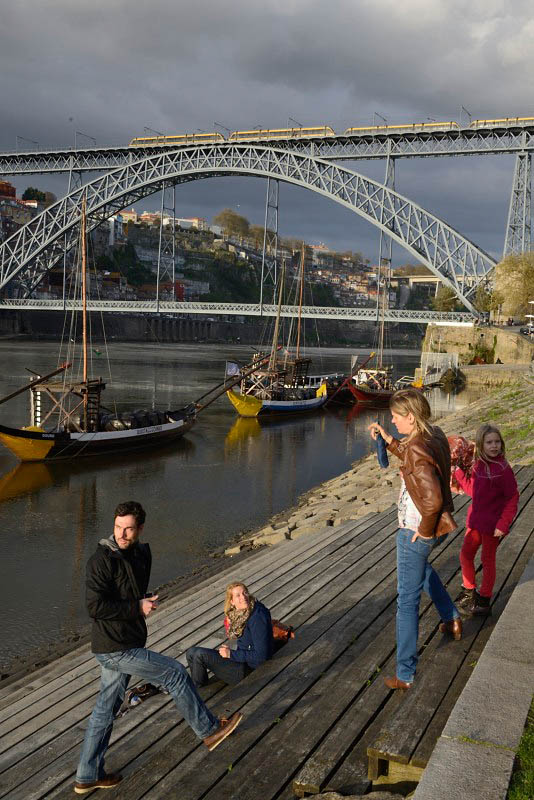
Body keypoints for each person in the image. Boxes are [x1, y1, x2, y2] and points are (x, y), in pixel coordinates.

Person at [74, 501, 242, 795]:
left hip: (126, 640)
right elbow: (95, 606)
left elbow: (128, 590)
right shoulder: (100, 561)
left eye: (128, 529)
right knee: (175, 674)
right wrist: (136, 607)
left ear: (139, 528)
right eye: (117, 527)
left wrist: (143, 598)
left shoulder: (139, 553)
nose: (122, 534)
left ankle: (87, 775)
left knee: (105, 709)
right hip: (115, 648)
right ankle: (210, 731)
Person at [369, 389, 461, 691]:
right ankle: (450, 616)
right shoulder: (432, 435)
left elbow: (432, 500)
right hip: (435, 526)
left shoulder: (418, 447)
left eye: (396, 416)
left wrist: (422, 529)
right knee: (421, 572)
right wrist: (390, 441)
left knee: (406, 603)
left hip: (414, 529)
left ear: (410, 416)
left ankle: (405, 673)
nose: (392, 420)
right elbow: (415, 461)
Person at [454, 424, 519, 616]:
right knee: (465, 555)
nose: (494, 446)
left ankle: (484, 599)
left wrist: (503, 523)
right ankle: (468, 590)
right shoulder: (479, 465)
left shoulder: (503, 469)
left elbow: (512, 497)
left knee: (487, 560)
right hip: (475, 522)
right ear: (481, 445)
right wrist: (458, 473)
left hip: (492, 525)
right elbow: (473, 491)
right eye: (489, 442)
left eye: (497, 442)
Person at [186, 582, 274, 687]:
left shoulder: (257, 616)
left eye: (245, 592)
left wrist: (230, 654)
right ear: (232, 602)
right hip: (241, 660)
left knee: (200, 655)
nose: (243, 597)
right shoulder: (241, 614)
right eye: (238, 595)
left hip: (250, 670)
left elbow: (262, 656)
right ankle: (198, 685)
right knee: (191, 652)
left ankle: (197, 689)